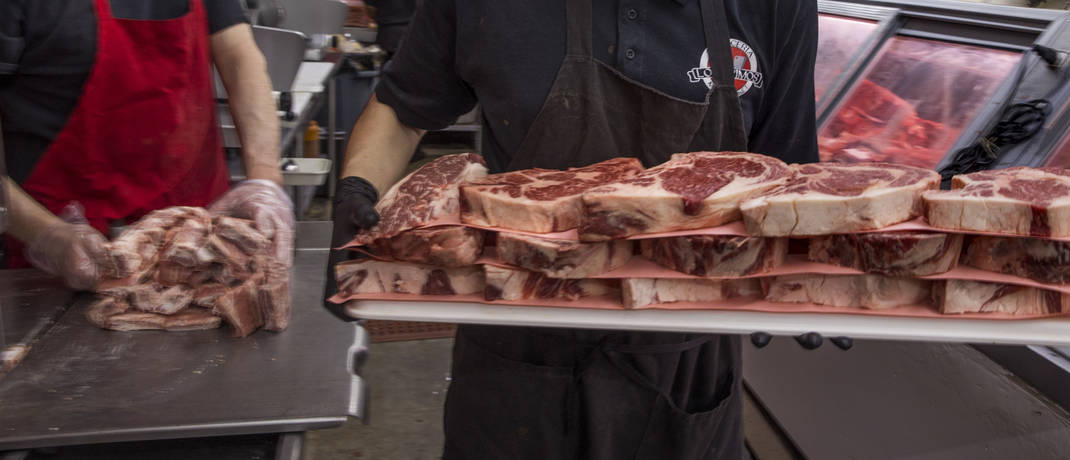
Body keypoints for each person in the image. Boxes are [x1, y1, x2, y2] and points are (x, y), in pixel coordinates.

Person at [328, 0, 818, 458]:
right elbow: (402, 110)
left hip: (685, 354)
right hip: (514, 336)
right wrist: (356, 185)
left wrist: (822, 267)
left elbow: (787, 170)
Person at [1, 0, 294, 287]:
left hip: (194, 249)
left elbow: (240, 59)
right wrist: (48, 236)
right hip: (55, 262)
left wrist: (264, 180)